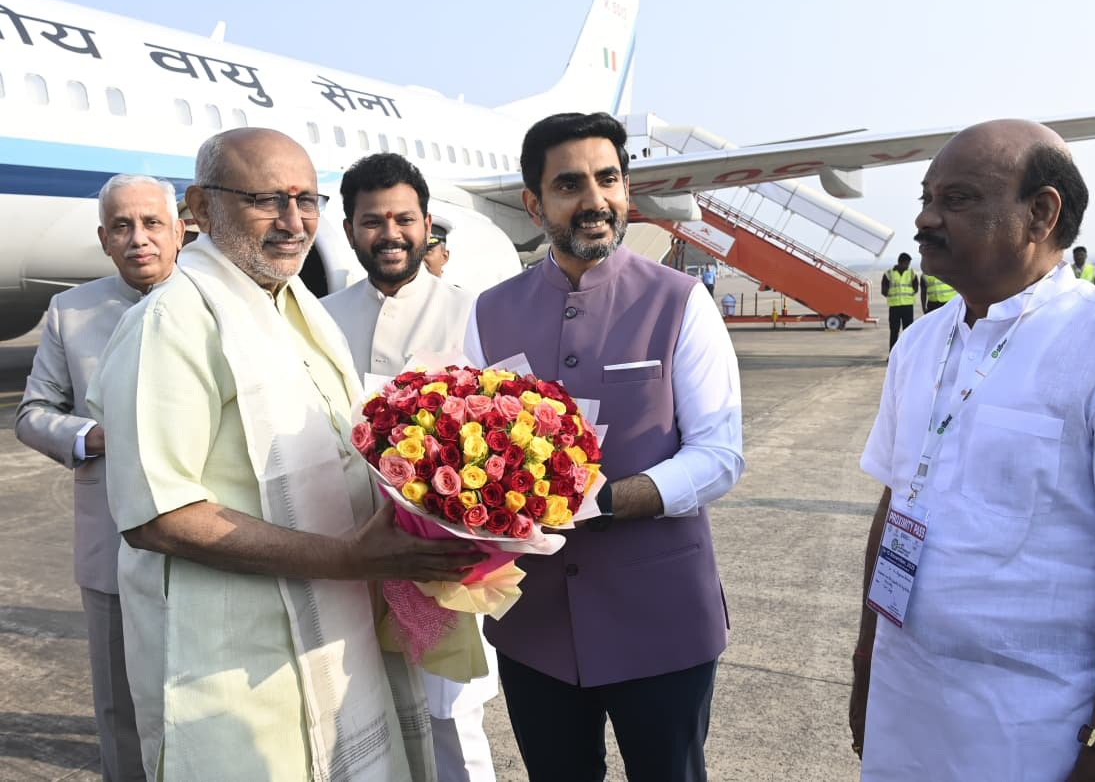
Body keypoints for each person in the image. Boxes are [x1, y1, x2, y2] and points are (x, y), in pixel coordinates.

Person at [86, 128, 484, 781]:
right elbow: (155, 515)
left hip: (332, 632)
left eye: (307, 200)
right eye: (267, 200)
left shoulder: (297, 305)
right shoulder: (173, 322)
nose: (294, 222)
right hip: (237, 666)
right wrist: (347, 558)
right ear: (201, 209)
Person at [849, 119, 1095, 781]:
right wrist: (866, 660)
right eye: (925, 199)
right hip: (906, 709)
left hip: (1034, 729)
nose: (925, 219)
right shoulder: (920, 344)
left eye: (954, 200)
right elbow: (894, 502)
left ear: (1040, 212)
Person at [463, 112, 744, 782]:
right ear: (534, 203)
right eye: (568, 185)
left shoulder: (679, 302)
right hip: (536, 627)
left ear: (626, 189)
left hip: (661, 617)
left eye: (607, 179)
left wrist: (605, 502)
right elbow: (472, 446)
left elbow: (718, 456)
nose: (593, 199)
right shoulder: (487, 312)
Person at [321, 152, 497, 782]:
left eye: (403, 218)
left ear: (428, 226)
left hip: (442, 556)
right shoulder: (318, 319)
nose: (389, 234)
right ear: (348, 231)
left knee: (451, 717)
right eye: (371, 221)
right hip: (342, 547)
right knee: (354, 711)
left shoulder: (475, 314)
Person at [16, 173, 184, 782]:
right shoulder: (70, 311)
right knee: (119, 708)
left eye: (152, 224)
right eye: (122, 226)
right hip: (110, 544)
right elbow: (33, 415)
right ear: (104, 239)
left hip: (212, 542)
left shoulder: (216, 303)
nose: (138, 238)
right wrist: (94, 438)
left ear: (179, 231)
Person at [880, 252, 918, 350]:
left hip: (908, 306)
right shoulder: (888, 273)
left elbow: (916, 288)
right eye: (907, 263)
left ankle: (907, 353)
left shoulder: (911, 273)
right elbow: (884, 290)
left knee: (908, 331)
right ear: (900, 262)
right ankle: (892, 354)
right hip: (895, 306)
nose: (908, 266)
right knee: (894, 331)